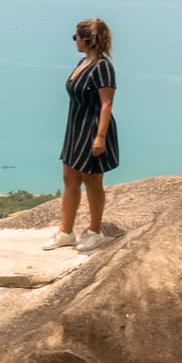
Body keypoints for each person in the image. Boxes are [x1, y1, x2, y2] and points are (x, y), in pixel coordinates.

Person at [45, 17, 119, 253]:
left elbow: (106, 104)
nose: (75, 41)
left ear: (87, 39)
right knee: (70, 178)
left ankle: (95, 232)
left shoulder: (103, 67)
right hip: (76, 127)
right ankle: (65, 232)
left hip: (93, 128)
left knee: (92, 181)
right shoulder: (83, 62)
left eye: (75, 37)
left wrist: (100, 137)